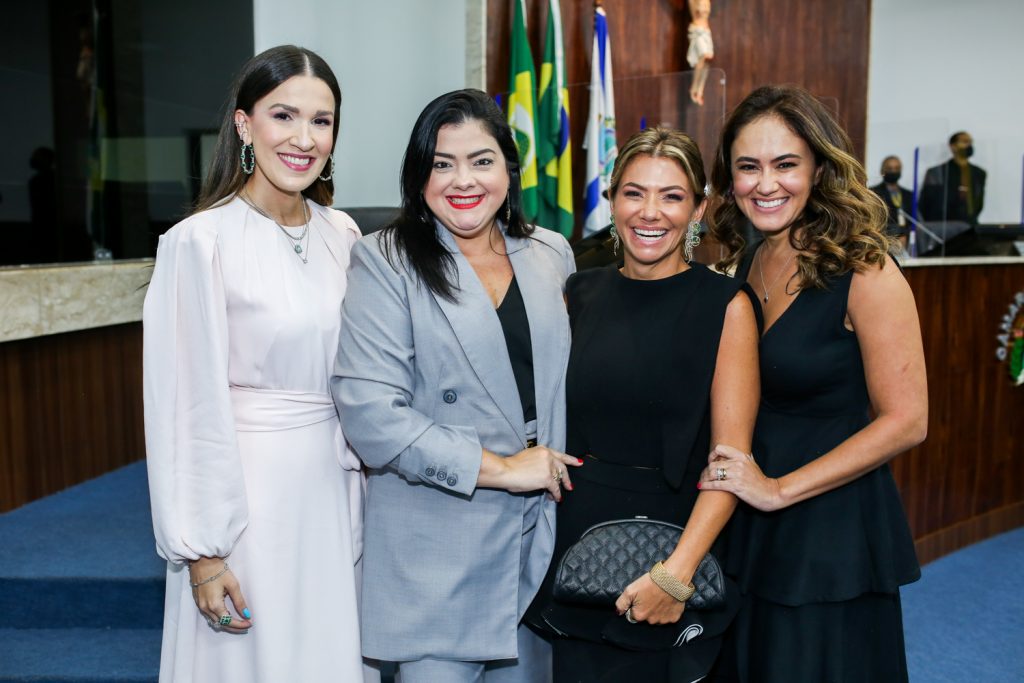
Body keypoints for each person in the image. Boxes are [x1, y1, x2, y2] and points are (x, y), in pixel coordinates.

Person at [332, 88, 579, 683]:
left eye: (481, 160)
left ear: (509, 169)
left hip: (537, 540)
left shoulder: (551, 253)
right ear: (419, 176)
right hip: (437, 545)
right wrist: (503, 467)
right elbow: (371, 414)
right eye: (442, 164)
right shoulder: (385, 260)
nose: (462, 180)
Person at [143, 45, 374, 682]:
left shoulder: (344, 235)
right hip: (245, 501)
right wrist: (204, 552)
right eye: (284, 116)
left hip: (334, 490)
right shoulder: (199, 241)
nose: (304, 138)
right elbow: (183, 406)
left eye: (321, 121)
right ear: (245, 125)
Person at [704, 84, 928, 682]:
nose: (765, 183)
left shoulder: (867, 270)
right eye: (748, 166)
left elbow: (907, 421)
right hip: (752, 526)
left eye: (786, 164)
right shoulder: (746, 260)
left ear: (819, 169)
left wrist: (779, 490)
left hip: (829, 533)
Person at [527, 127, 760, 682]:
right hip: (575, 554)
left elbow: (730, 464)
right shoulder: (579, 293)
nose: (649, 212)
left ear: (699, 208)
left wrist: (675, 577)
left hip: (672, 549)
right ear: (611, 201)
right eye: (634, 193)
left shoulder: (725, 306)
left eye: (672, 196)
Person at [920, 130, 986, 226]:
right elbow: (927, 203)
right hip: (944, 226)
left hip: (970, 225)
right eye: (964, 141)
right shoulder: (937, 172)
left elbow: (978, 202)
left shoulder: (979, 173)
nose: (969, 145)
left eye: (970, 142)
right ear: (953, 146)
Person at [870, 155, 913, 249]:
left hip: (909, 241)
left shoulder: (909, 194)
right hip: (885, 239)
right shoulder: (874, 192)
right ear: (882, 170)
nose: (893, 171)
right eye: (889, 168)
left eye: (897, 168)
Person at [687, 0, 715, 105]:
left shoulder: (707, 3)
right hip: (697, 33)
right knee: (703, 55)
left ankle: (700, 90)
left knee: (708, 61)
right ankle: (694, 87)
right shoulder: (693, 4)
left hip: (706, 33)